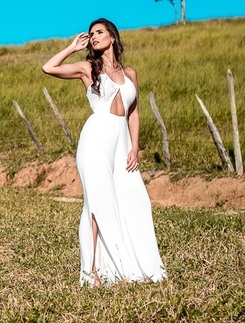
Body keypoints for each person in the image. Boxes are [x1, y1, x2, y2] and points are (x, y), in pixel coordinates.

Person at [41, 18, 166, 286]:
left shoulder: (130, 73)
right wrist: (72, 47)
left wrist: (135, 146)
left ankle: (131, 262)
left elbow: (134, 114)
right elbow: (48, 67)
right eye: (91, 34)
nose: (94, 37)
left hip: (122, 144)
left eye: (99, 32)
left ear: (112, 35)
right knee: (97, 205)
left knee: (135, 199)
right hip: (96, 139)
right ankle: (91, 272)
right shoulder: (88, 68)